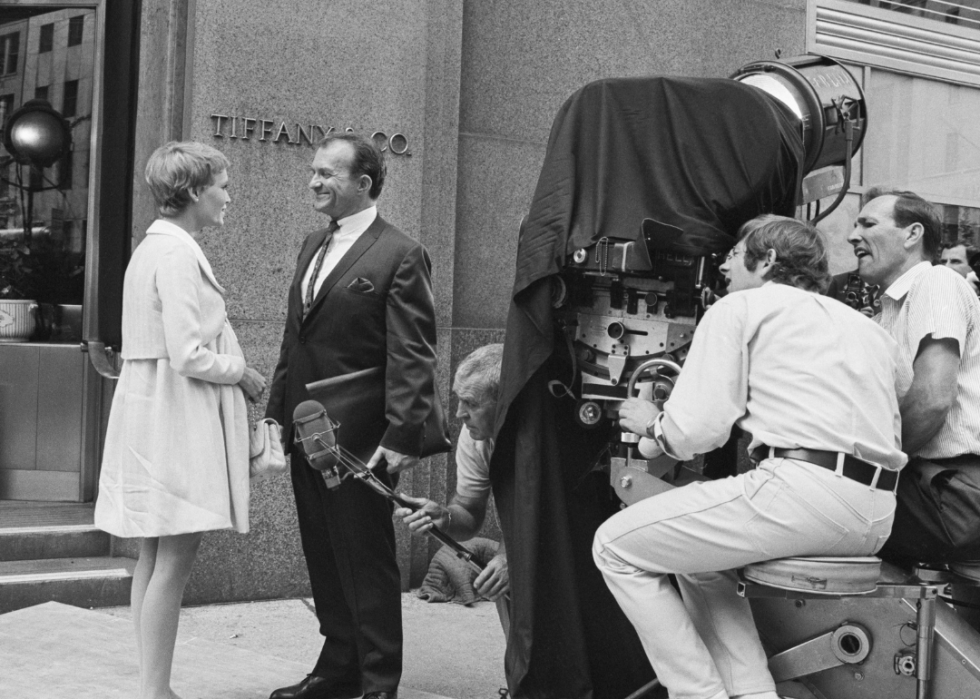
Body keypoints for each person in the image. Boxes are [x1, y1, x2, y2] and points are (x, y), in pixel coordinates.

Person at [592, 216, 905, 699]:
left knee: (613, 547)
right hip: (877, 512)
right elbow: (894, 394)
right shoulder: (867, 329)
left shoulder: (741, 307)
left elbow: (697, 430)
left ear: (769, 260)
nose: (723, 264)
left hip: (804, 492)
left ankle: (697, 694)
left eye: (735, 254)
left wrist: (652, 424)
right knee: (700, 562)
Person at [265, 133, 437, 699]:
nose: (314, 181)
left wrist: (403, 433)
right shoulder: (313, 244)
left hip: (364, 436)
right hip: (306, 431)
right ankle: (338, 666)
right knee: (323, 550)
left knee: (367, 559)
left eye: (327, 174)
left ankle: (378, 681)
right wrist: (275, 416)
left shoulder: (401, 253)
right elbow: (296, 339)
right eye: (313, 171)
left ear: (363, 184)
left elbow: (412, 351)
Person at [94, 141, 266, 699]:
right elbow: (189, 353)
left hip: (155, 410)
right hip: (175, 417)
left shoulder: (156, 249)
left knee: (153, 553)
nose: (228, 197)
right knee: (173, 558)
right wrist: (241, 371)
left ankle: (153, 686)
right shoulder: (175, 253)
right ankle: (155, 692)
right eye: (221, 184)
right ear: (193, 191)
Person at [849, 188, 980, 564]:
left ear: (912, 235)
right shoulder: (885, 313)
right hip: (929, 489)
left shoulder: (936, 282)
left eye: (868, 224)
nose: (852, 235)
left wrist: (866, 467)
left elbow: (932, 399)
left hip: (950, 496)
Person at [394, 344, 510, 619]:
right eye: (458, 400)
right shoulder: (475, 438)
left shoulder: (544, 437)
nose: (459, 413)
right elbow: (470, 511)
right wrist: (444, 518)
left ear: (505, 400)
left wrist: (512, 557)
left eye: (470, 403)